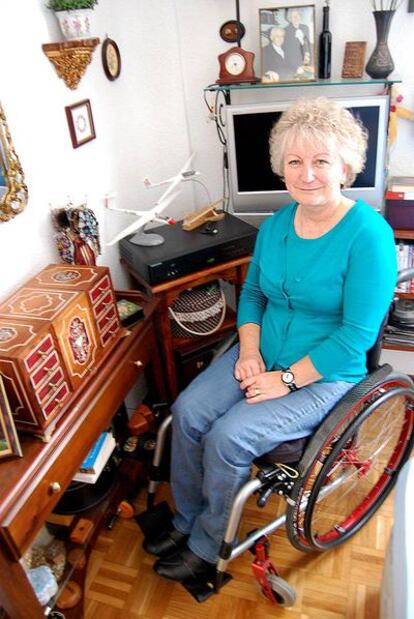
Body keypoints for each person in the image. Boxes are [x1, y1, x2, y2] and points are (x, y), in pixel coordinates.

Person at [145, 97, 397, 582]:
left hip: (323, 375)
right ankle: (185, 518)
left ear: (345, 167)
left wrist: (284, 379)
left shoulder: (370, 235)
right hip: (262, 354)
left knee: (228, 437)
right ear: (281, 168)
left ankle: (207, 540)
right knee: (189, 411)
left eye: (321, 161)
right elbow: (255, 293)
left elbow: (355, 338)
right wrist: (251, 351)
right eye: (295, 162)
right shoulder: (278, 224)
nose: (307, 174)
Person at [283, 8, 312, 76]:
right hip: (293, 65)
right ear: (290, 18)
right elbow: (287, 52)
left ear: (301, 16)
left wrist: (308, 57)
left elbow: (308, 44)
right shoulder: (286, 30)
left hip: (307, 62)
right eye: (294, 16)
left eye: (298, 15)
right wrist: (296, 67)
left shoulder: (305, 28)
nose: (296, 18)